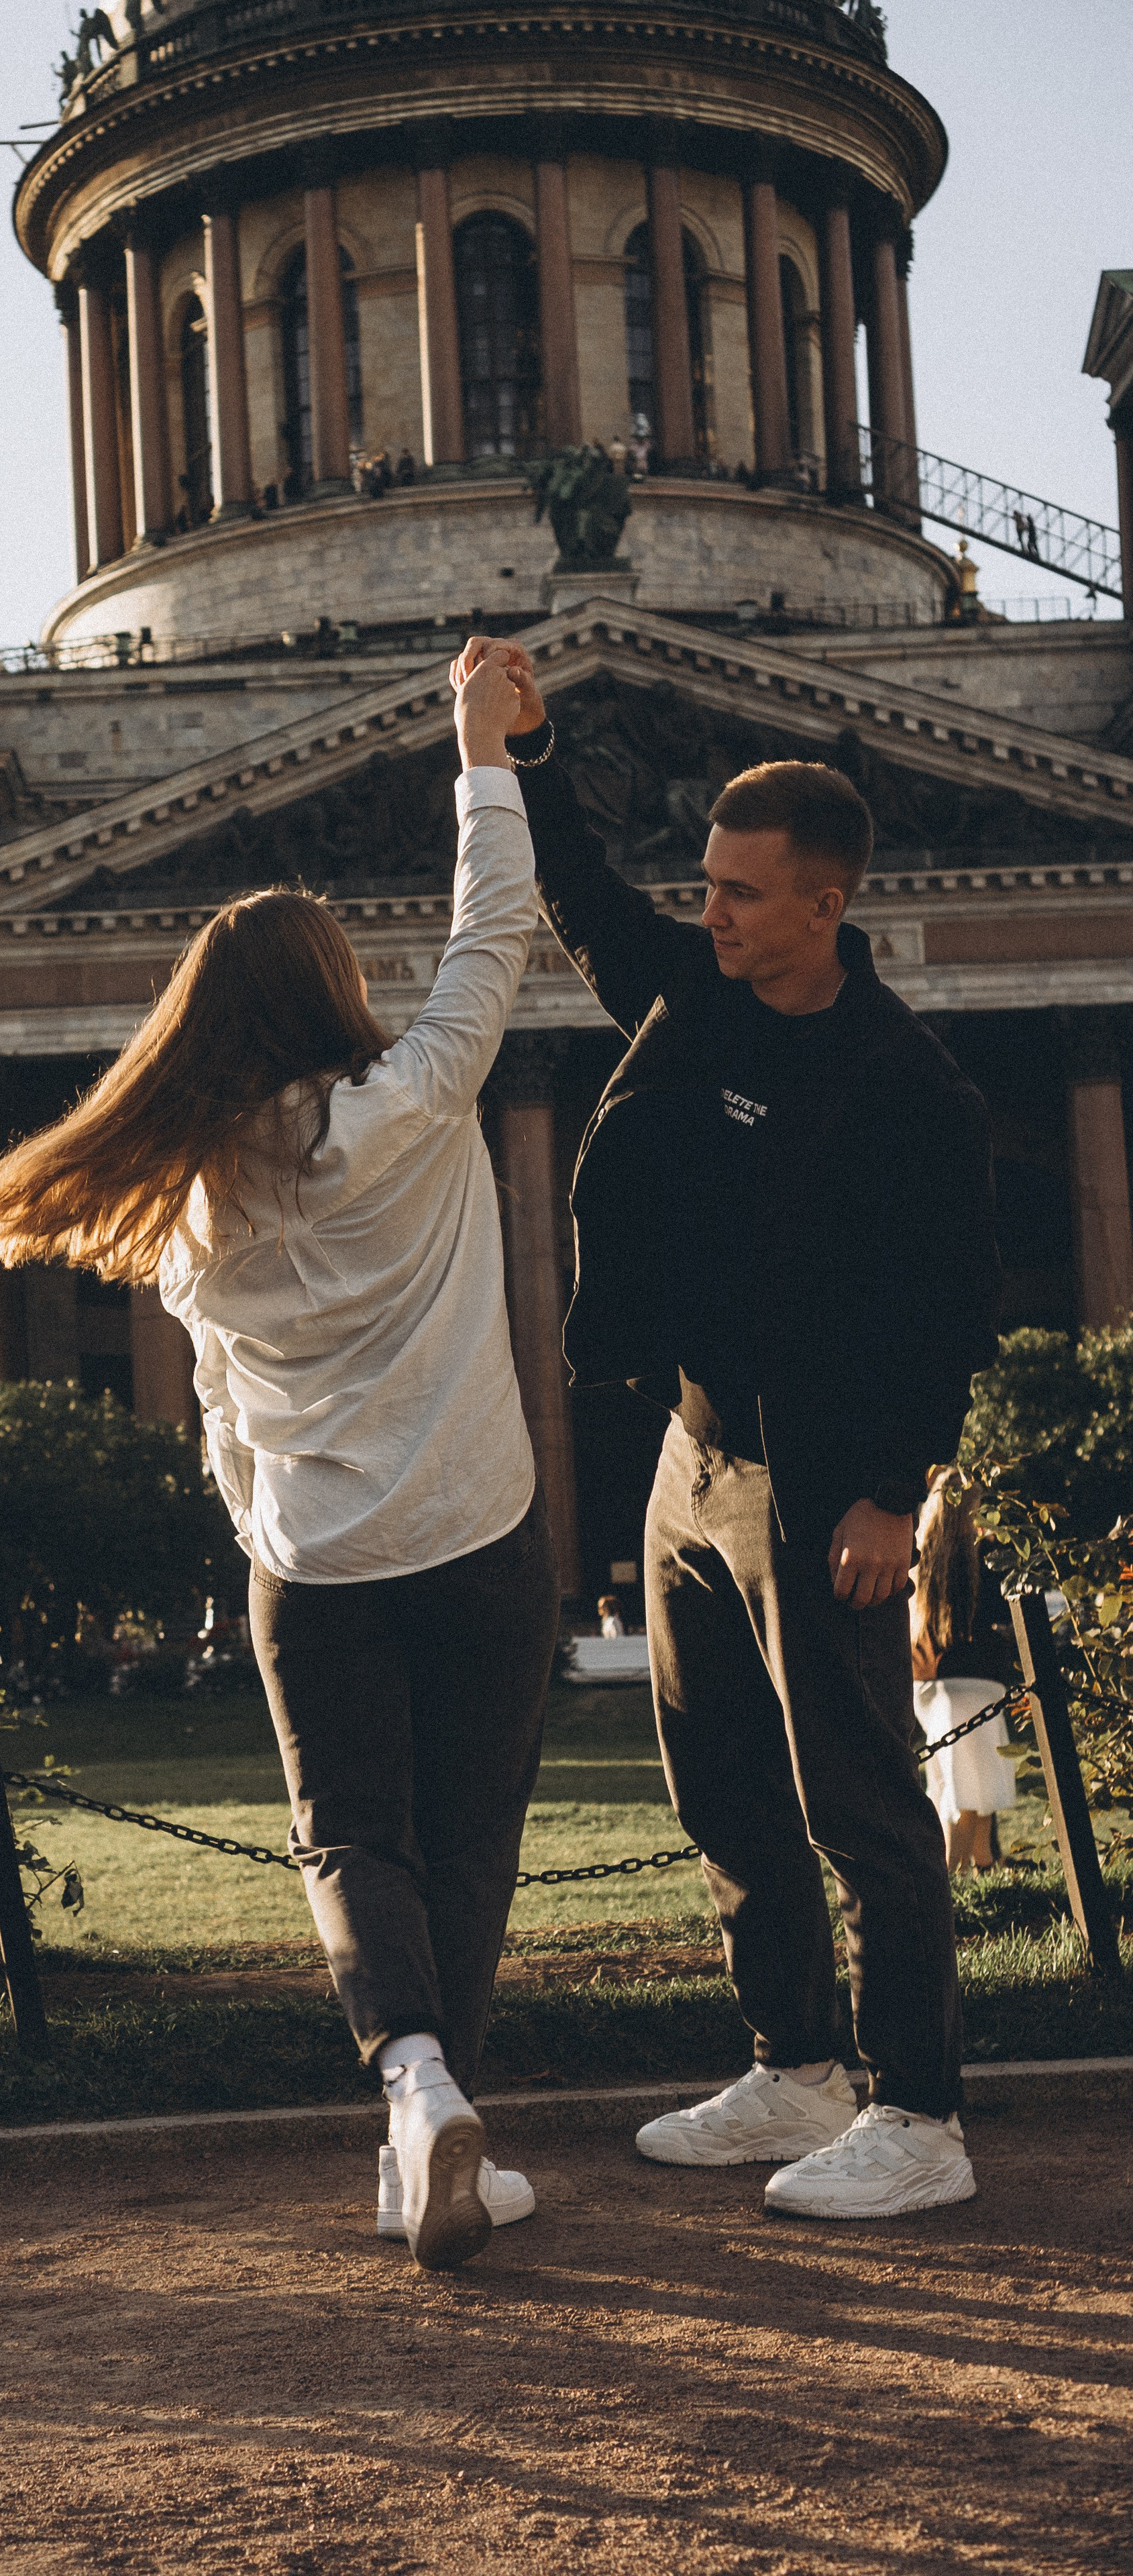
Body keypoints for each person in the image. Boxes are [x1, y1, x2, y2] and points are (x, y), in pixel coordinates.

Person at [0, 650, 560, 2271]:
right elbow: (491, 928)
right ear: (329, 992)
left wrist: (267, 1525)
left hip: (312, 1563)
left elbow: (218, 1410)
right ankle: (443, 2110)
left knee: (348, 1838)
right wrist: (473, 750)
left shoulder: (185, 1215)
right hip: (480, 1534)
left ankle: (414, 2089)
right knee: (465, 1838)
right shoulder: (422, 1103)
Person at [460, 633, 1002, 2220]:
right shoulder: (690, 994)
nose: (708, 908)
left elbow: (945, 1307)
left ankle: (917, 2109)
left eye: (740, 892)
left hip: (819, 1480)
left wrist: (891, 1497)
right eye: (705, 881)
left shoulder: (905, 1086)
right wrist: (533, 753)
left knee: (860, 1804)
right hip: (690, 1458)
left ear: (822, 904)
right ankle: (795, 2067)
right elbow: (582, 903)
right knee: (722, 1791)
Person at [910, 1470, 1018, 1872]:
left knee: (957, 1783)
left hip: (926, 1680)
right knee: (969, 1796)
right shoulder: (985, 1554)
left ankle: (985, 1864)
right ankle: (950, 1884)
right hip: (974, 1680)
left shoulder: (918, 1554)